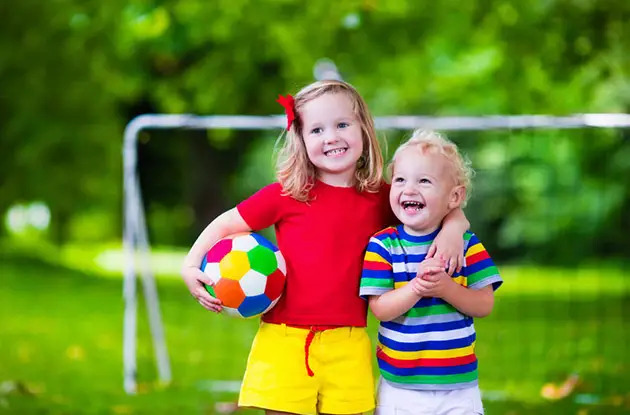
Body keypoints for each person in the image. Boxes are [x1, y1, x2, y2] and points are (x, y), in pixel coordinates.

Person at [181, 80, 470, 415]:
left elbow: (441, 205)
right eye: (317, 129)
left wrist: (454, 228)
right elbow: (225, 224)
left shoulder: (383, 197)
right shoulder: (285, 194)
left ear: (363, 129)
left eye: (342, 125)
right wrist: (191, 264)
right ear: (301, 140)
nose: (331, 137)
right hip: (284, 341)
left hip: (348, 343)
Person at [360, 130, 503, 415]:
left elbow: (485, 304)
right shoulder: (383, 245)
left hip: (458, 388)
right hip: (400, 389)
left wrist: (446, 289)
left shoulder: (466, 245)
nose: (409, 189)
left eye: (424, 181)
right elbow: (381, 309)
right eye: (400, 180)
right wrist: (416, 288)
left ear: (454, 197)